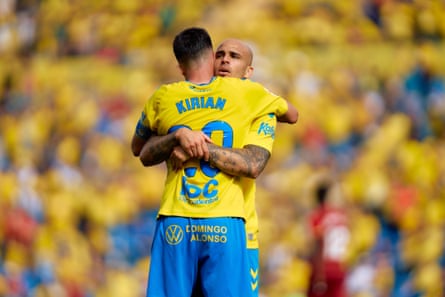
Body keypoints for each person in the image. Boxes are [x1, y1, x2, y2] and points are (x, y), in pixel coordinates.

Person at [131, 27, 296, 297]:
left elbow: (254, 164)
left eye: (234, 56)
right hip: (205, 221)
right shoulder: (203, 96)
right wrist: (178, 137)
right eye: (220, 54)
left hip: (240, 229)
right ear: (209, 59)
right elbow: (142, 150)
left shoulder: (256, 102)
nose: (225, 60)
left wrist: (195, 146)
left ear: (249, 71)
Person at [307, 180, 351, 297]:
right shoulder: (342, 215)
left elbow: (317, 243)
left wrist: (318, 274)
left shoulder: (318, 216)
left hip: (324, 268)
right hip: (340, 267)